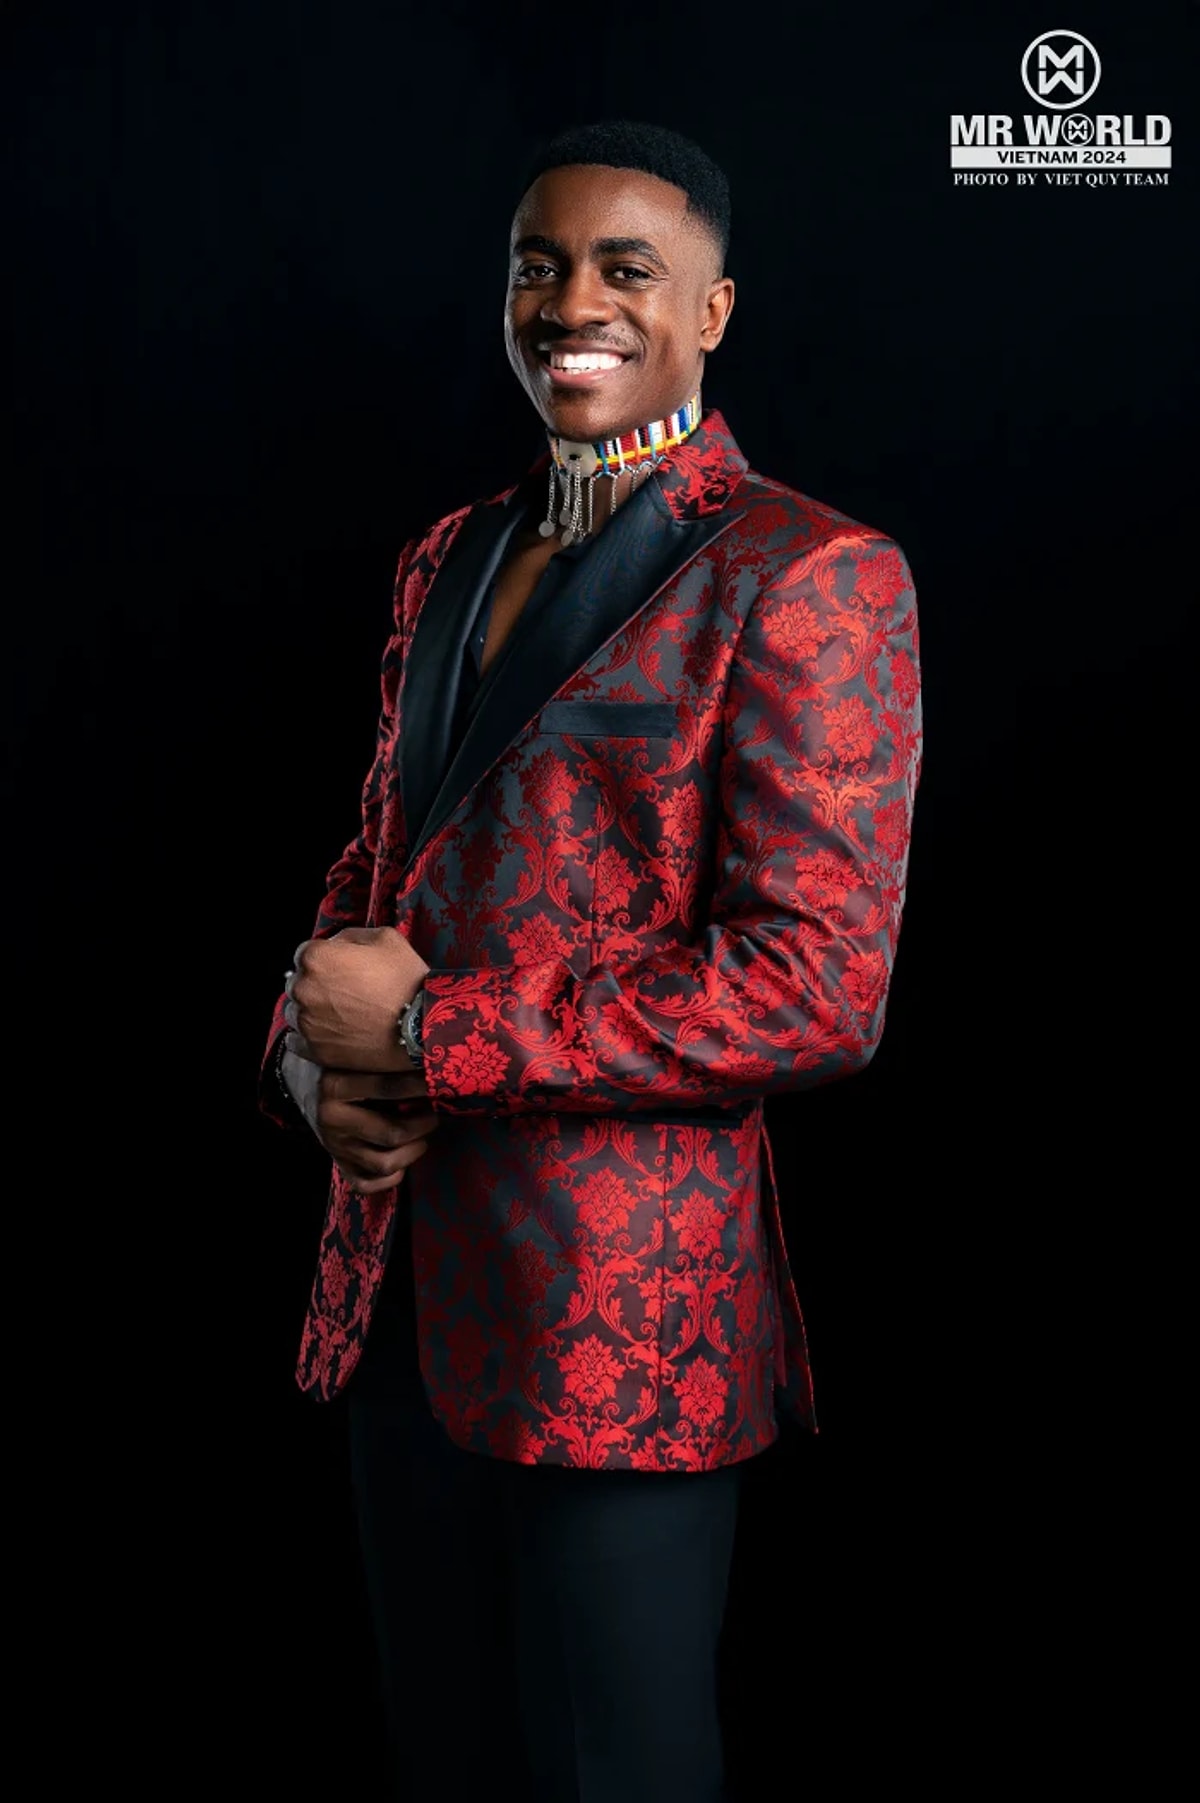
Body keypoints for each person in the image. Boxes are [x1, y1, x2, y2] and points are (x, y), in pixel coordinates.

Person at [260, 118, 922, 1803]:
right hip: (397, 1290)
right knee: (444, 1762)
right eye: (538, 267)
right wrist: (313, 1062)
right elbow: (376, 870)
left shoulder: (808, 572)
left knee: (617, 1777)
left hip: (617, 1333)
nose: (574, 304)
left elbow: (814, 990)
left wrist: (434, 1032)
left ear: (710, 311)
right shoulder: (448, 552)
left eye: (628, 269)